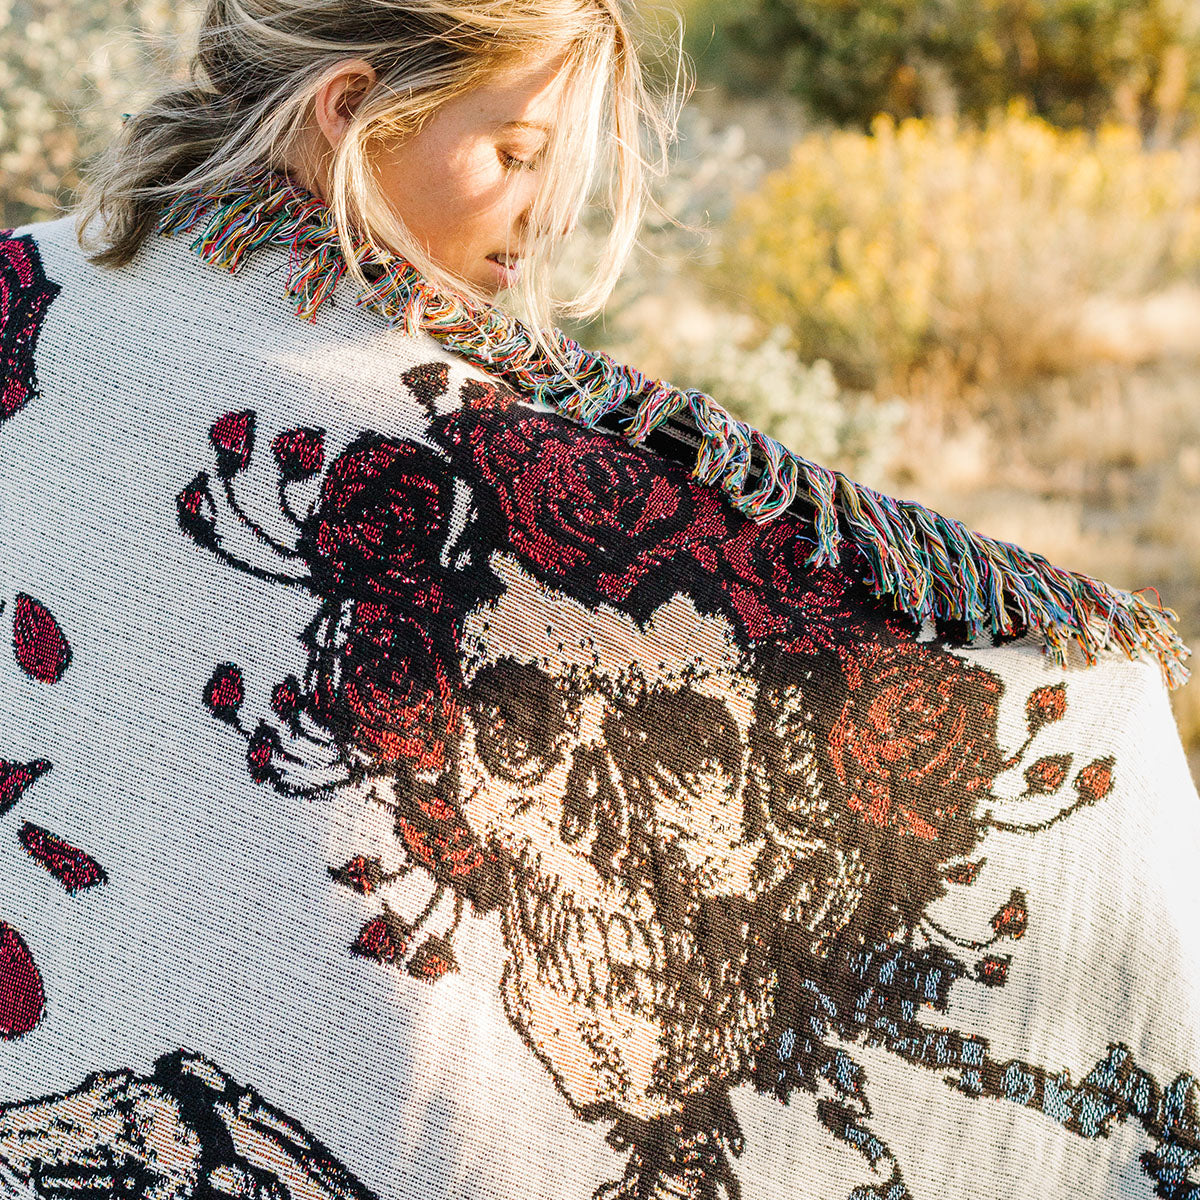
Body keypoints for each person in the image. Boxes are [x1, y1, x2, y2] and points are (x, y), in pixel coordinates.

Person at [0, 2, 1197, 1199]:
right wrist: (1102, 707)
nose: (548, 213)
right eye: (517, 154)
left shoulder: (28, 297)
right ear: (351, 111)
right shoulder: (450, 447)